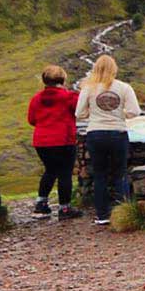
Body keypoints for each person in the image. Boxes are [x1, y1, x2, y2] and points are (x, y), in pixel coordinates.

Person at [75, 54, 140, 225]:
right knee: (120, 174)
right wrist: (120, 114)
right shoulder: (124, 87)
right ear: (114, 69)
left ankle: (102, 215)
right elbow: (135, 111)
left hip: (95, 133)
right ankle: (124, 214)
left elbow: (79, 114)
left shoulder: (88, 89)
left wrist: (94, 114)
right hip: (118, 132)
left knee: (100, 175)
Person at [27, 65, 82, 218]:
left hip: (41, 142)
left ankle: (41, 204)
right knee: (65, 173)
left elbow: (32, 120)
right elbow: (80, 112)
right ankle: (65, 208)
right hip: (64, 140)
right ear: (63, 79)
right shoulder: (70, 97)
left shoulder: (36, 99)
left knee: (50, 171)